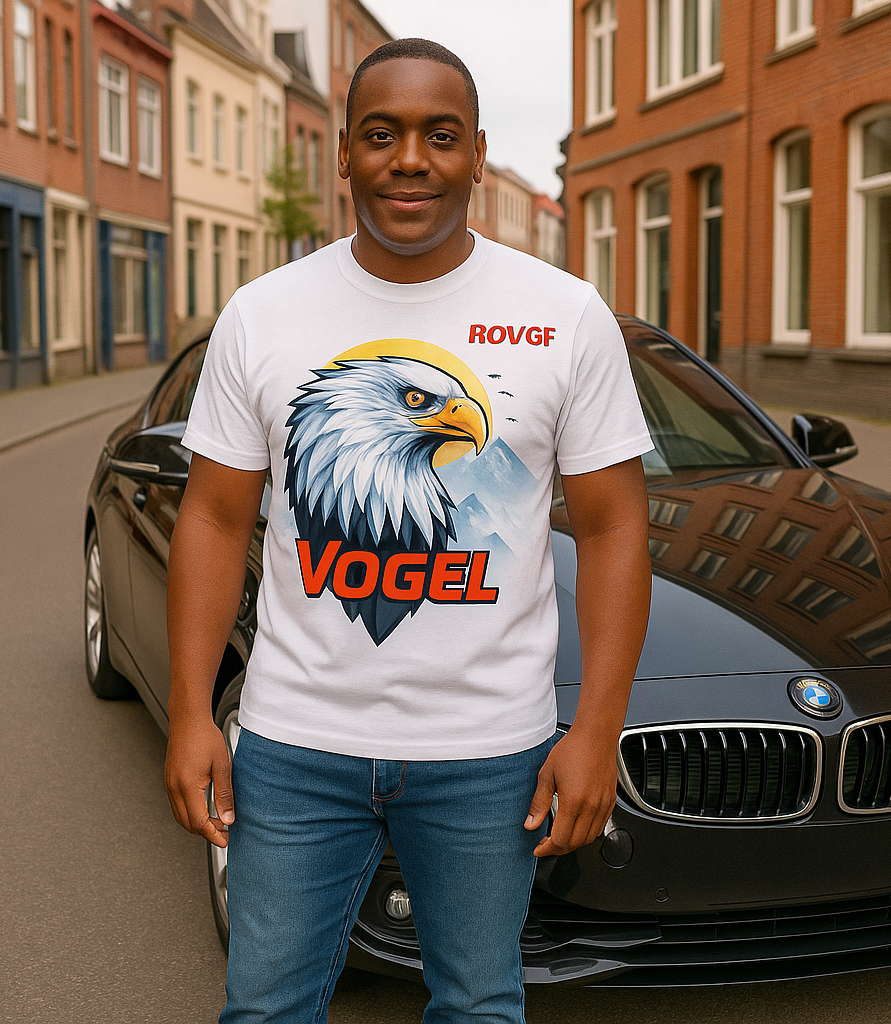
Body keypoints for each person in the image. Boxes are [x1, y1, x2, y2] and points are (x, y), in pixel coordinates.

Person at [165, 38, 653, 1024]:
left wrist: (596, 728)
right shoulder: (263, 315)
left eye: (439, 136)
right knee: (262, 1009)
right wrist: (187, 712)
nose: (410, 160)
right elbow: (214, 516)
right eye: (380, 135)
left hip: (488, 751)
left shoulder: (564, 315)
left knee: (477, 1004)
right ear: (341, 154)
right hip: (294, 739)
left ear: (477, 154)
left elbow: (611, 529)